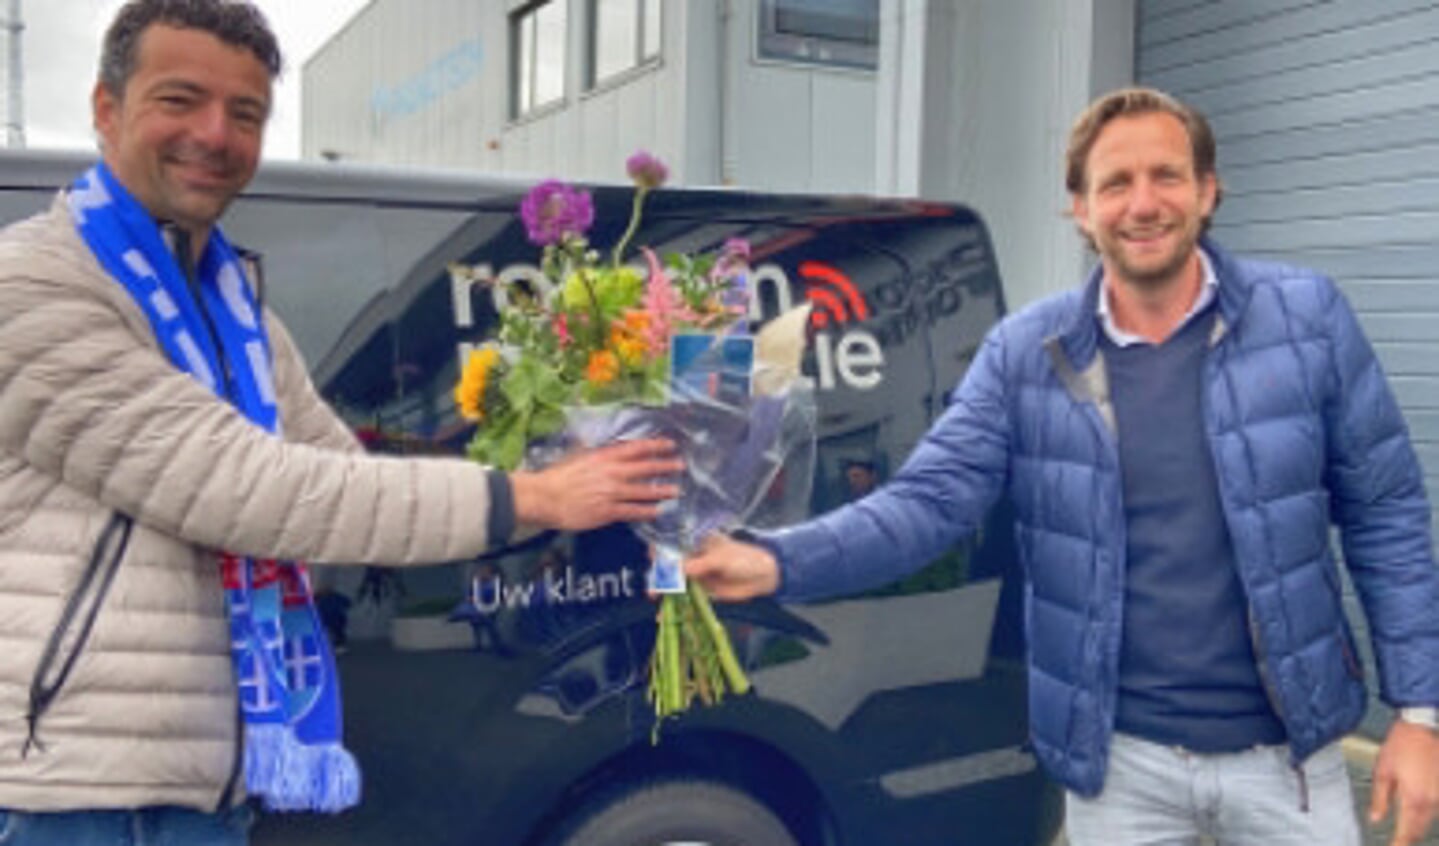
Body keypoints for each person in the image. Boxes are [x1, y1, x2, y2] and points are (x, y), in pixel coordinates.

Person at [686, 87, 1439, 846]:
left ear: (1207, 190)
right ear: (1079, 208)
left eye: (1166, 176)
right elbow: (930, 501)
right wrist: (776, 561)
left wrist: (1415, 714)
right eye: (1114, 183)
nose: (1142, 203)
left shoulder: (1306, 319)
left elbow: (1387, 514)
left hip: (1289, 764)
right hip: (1121, 770)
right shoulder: (1026, 354)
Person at [0, 0, 678, 842]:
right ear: (106, 108)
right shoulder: (31, 284)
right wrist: (533, 498)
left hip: (205, 776)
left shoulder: (232, 304)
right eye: (180, 100)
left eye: (244, 113)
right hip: (76, 795)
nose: (215, 134)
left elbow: (334, 459)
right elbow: (248, 489)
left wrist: (560, 446)